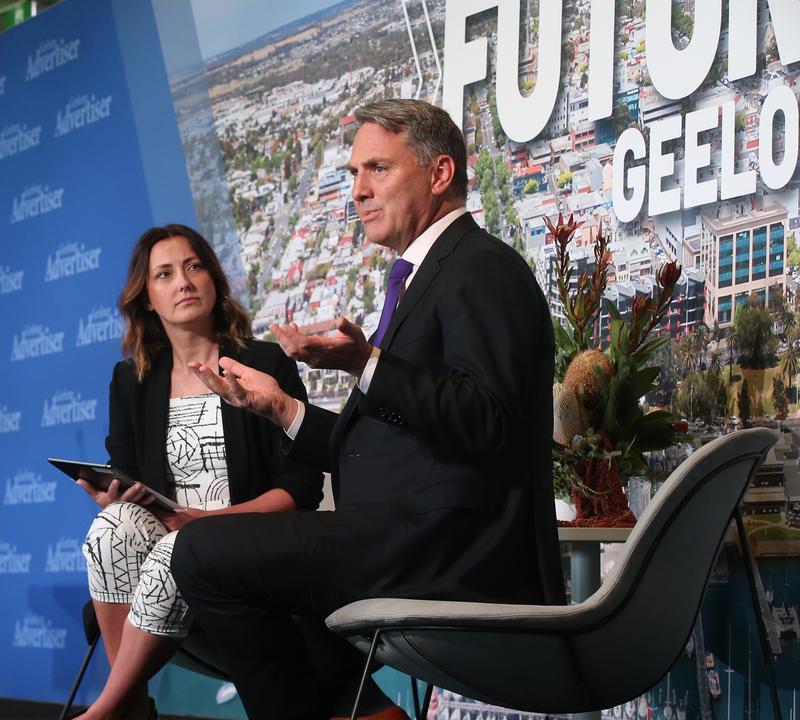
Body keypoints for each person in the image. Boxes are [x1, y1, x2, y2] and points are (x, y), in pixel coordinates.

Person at [172, 99, 564, 720]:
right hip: (407, 531)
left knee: (201, 553)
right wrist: (278, 408)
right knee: (248, 571)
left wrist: (367, 366)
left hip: (454, 547)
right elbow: (383, 451)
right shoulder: (423, 276)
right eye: (355, 174)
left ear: (439, 174)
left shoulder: (482, 268)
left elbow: (488, 419)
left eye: (376, 170)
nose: (357, 191)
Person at [76, 224, 323, 720]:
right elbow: (125, 473)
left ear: (213, 278)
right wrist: (117, 496)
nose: (184, 281)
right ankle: (134, 706)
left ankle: (109, 708)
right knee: (110, 530)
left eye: (193, 266)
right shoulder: (133, 380)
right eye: (164, 274)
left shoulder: (262, 363)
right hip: (170, 533)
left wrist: (205, 522)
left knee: (180, 546)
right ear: (147, 298)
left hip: (249, 539)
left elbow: (301, 488)